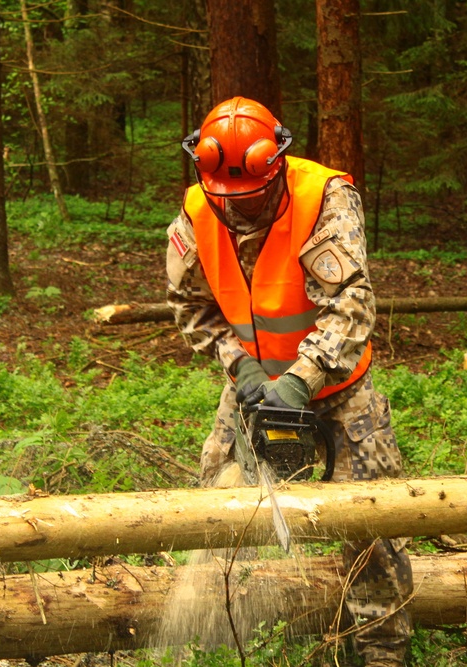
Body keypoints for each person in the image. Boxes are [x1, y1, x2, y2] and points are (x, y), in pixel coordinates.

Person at [165, 97, 412, 666]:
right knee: (216, 510)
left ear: (274, 168)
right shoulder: (196, 211)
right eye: (229, 199)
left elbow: (351, 303)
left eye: (251, 197)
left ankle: (380, 653)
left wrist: (303, 378)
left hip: (337, 388)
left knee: (374, 524)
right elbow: (188, 302)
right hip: (251, 387)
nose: (239, 210)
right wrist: (240, 366)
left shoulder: (324, 197)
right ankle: (233, 634)